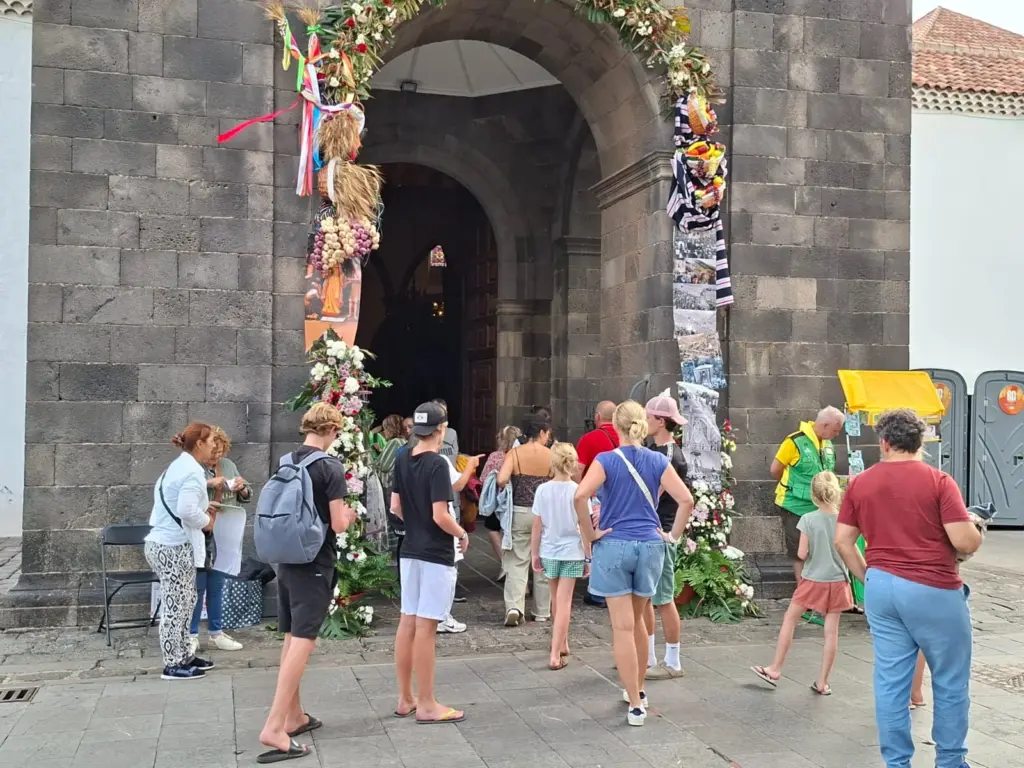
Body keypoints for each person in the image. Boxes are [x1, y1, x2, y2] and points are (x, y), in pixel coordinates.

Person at [835, 408, 983, 768]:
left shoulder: (860, 483)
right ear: (920, 443)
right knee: (949, 679)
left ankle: (897, 763)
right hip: (933, 587)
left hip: (882, 587)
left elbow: (842, 541)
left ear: (883, 442)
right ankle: (949, 761)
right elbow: (963, 541)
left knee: (890, 681)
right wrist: (976, 530)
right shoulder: (938, 481)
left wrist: (867, 576)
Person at [573, 401, 693, 727]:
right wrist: (672, 536)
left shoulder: (606, 460)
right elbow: (686, 499)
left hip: (614, 545)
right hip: (651, 545)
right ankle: (637, 691)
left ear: (615, 426)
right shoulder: (657, 459)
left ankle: (635, 702)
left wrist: (591, 534)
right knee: (640, 620)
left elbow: (580, 495)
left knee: (623, 628)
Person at [258, 403, 357, 763]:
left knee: (290, 636)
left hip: (286, 557)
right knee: (304, 641)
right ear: (331, 429)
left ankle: (294, 716)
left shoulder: (287, 461)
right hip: (315, 560)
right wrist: (349, 513)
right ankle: (273, 726)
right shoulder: (329, 466)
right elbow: (339, 523)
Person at [392, 401, 470, 725]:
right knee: (427, 627)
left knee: (407, 620)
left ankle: (405, 697)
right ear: (441, 430)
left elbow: (395, 507)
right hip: (436, 553)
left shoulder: (401, 458)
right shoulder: (437, 464)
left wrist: (415, 521)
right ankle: (427, 703)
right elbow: (441, 515)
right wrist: (461, 531)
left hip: (409, 549)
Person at [751, 471, 853, 695]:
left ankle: (775, 668)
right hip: (837, 580)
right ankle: (822, 682)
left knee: (790, 620)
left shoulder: (807, 519)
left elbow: (802, 553)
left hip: (812, 578)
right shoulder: (844, 520)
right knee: (831, 632)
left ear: (813, 496)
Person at [145, 423, 219, 681]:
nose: (213, 445)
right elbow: (186, 511)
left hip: (167, 543)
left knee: (186, 601)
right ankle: (172, 663)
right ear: (199, 443)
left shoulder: (179, 466)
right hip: (172, 546)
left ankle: (183, 654)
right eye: (210, 440)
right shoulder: (191, 472)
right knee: (176, 605)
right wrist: (206, 521)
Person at [190, 426, 251, 656]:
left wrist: (242, 488)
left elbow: (244, 496)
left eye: (221, 452)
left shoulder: (228, 466)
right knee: (198, 585)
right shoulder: (193, 467)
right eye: (213, 451)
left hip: (227, 527)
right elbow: (185, 493)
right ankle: (192, 635)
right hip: (203, 530)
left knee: (217, 585)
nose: (216, 457)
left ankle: (216, 633)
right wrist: (209, 485)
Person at [530, 442, 589, 671]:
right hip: (572, 551)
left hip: (549, 549)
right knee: (565, 603)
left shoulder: (542, 490)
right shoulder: (578, 491)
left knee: (556, 601)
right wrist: (588, 556)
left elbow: (537, 525)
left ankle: (561, 643)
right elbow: (584, 526)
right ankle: (556, 652)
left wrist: (535, 553)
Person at [643, 395, 689, 680]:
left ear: (660, 421)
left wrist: (671, 536)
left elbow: (653, 494)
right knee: (648, 598)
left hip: (661, 528)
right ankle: (647, 656)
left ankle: (672, 661)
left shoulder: (670, 455)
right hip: (654, 528)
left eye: (649, 418)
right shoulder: (653, 448)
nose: (645, 422)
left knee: (661, 598)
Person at [770, 406, 844, 581]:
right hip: (795, 505)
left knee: (819, 549)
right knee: (799, 551)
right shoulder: (794, 441)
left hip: (821, 506)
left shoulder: (827, 444)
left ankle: (817, 587)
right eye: (835, 430)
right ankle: (803, 592)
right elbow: (775, 469)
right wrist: (794, 487)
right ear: (825, 425)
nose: (837, 434)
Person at [497, 414, 554, 626]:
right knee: (543, 561)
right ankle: (541, 611)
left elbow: (502, 479)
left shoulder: (515, 453)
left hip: (520, 512)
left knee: (517, 561)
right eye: (547, 433)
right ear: (541, 432)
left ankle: (514, 607)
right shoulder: (551, 455)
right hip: (545, 514)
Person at [576, 400, 619, 608]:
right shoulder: (626, 439)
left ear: (597, 417)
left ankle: (598, 591)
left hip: (595, 497)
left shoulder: (589, 439)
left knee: (596, 541)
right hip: (622, 497)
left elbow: (578, 470)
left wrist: (580, 492)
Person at [437, 451, 483, 635]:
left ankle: (426, 616)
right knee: (447, 572)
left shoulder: (405, 458)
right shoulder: (439, 461)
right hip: (440, 522)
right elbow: (458, 484)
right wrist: (470, 466)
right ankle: (442, 617)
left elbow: (396, 504)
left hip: (416, 526)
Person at [481, 426, 521, 580]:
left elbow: (484, 477)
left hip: (498, 500)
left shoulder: (496, 456)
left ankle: (506, 564)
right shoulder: (521, 456)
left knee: (492, 528)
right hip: (518, 499)